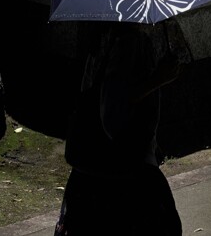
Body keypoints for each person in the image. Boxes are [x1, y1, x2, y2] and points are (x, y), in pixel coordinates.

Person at [54, 21, 183, 235]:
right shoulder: (129, 42)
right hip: (122, 173)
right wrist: (158, 79)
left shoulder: (100, 40)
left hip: (90, 171)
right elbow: (114, 111)